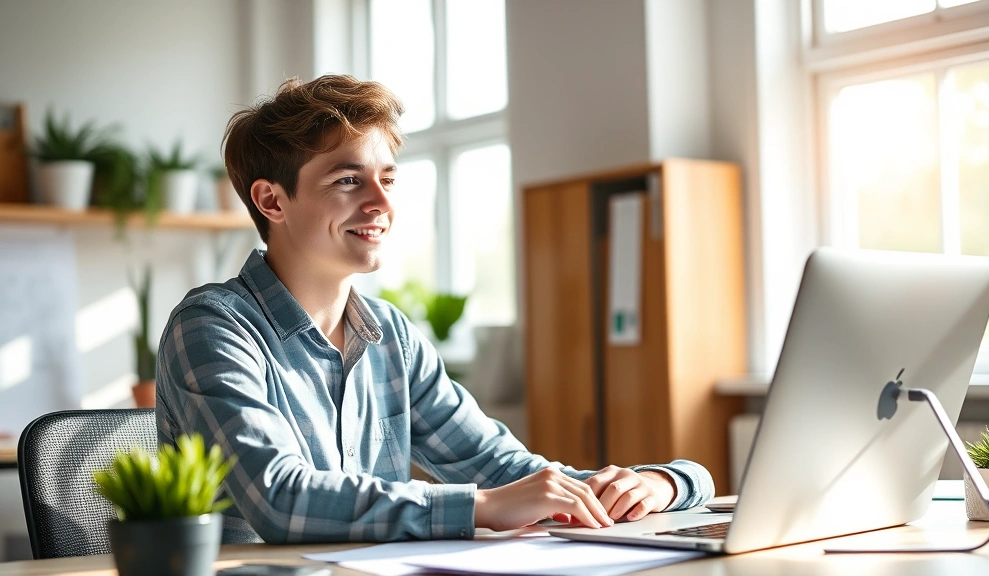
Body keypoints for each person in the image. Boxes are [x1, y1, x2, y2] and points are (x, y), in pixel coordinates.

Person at [156, 75, 714, 544]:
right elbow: (279, 498)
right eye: (349, 180)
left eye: (388, 178)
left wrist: (668, 482)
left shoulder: (391, 337)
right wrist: (479, 507)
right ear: (272, 200)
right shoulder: (212, 326)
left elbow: (513, 475)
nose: (381, 202)